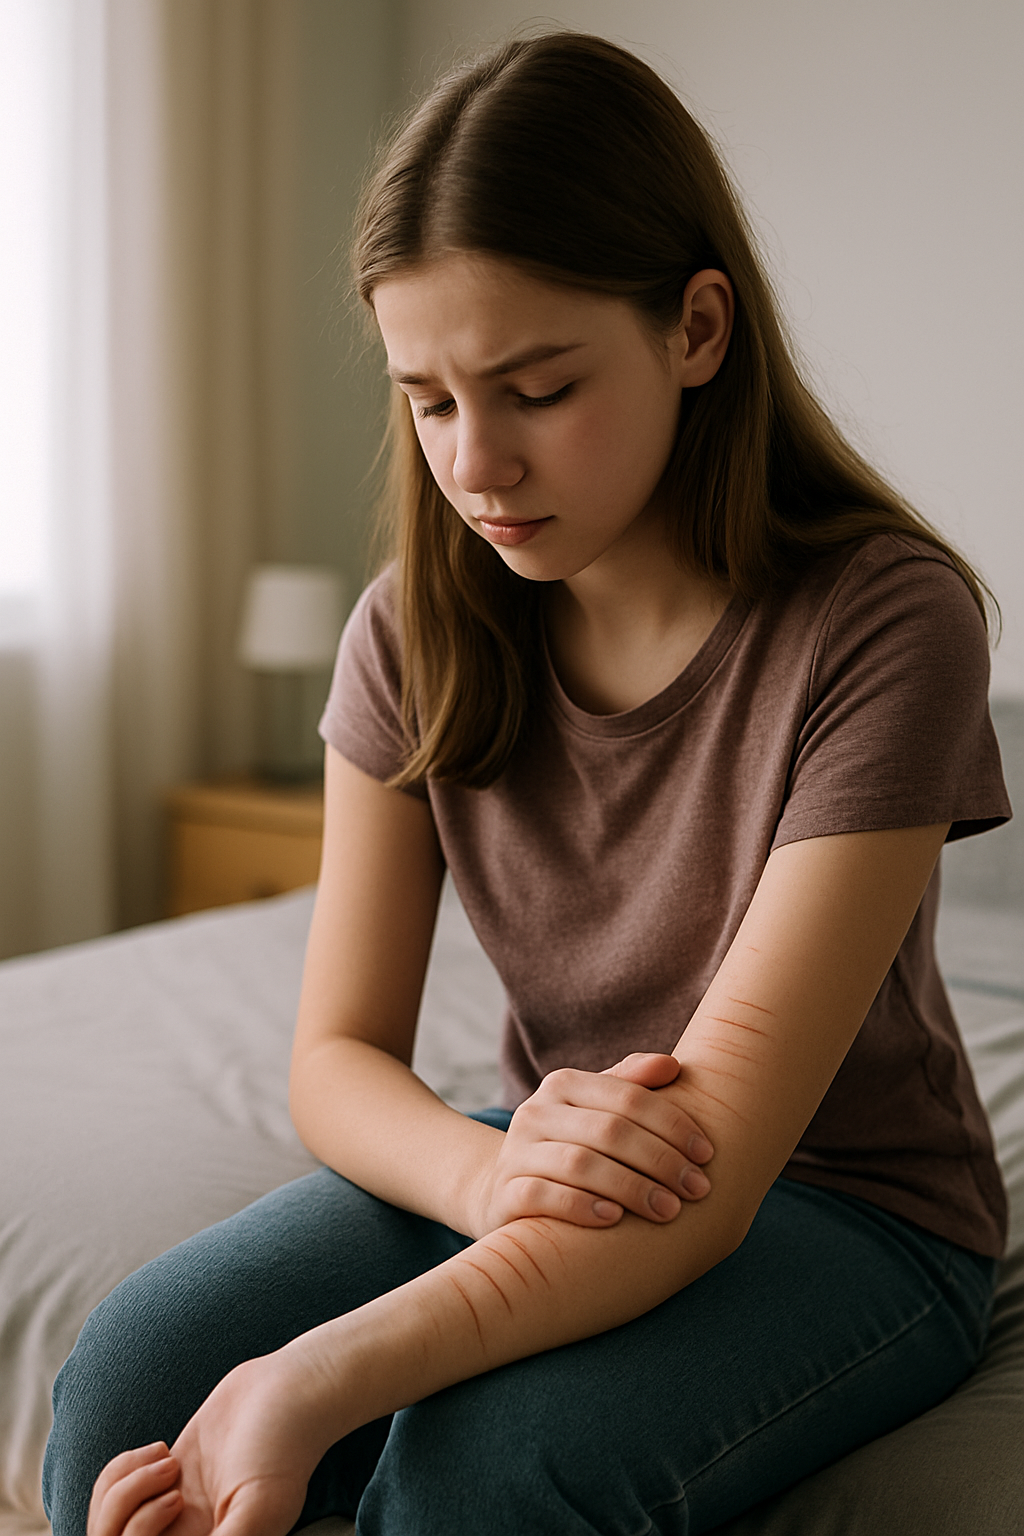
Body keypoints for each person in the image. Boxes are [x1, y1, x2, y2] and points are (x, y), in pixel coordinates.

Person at [45, 31, 1010, 1536]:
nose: (477, 463)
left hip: (842, 1205)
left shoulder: (886, 624)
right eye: (429, 402)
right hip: (538, 1151)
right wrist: (488, 1181)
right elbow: (336, 1058)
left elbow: (715, 1157)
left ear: (698, 330)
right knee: (130, 1378)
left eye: (537, 388)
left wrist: (310, 1379)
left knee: (482, 1478)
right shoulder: (414, 630)